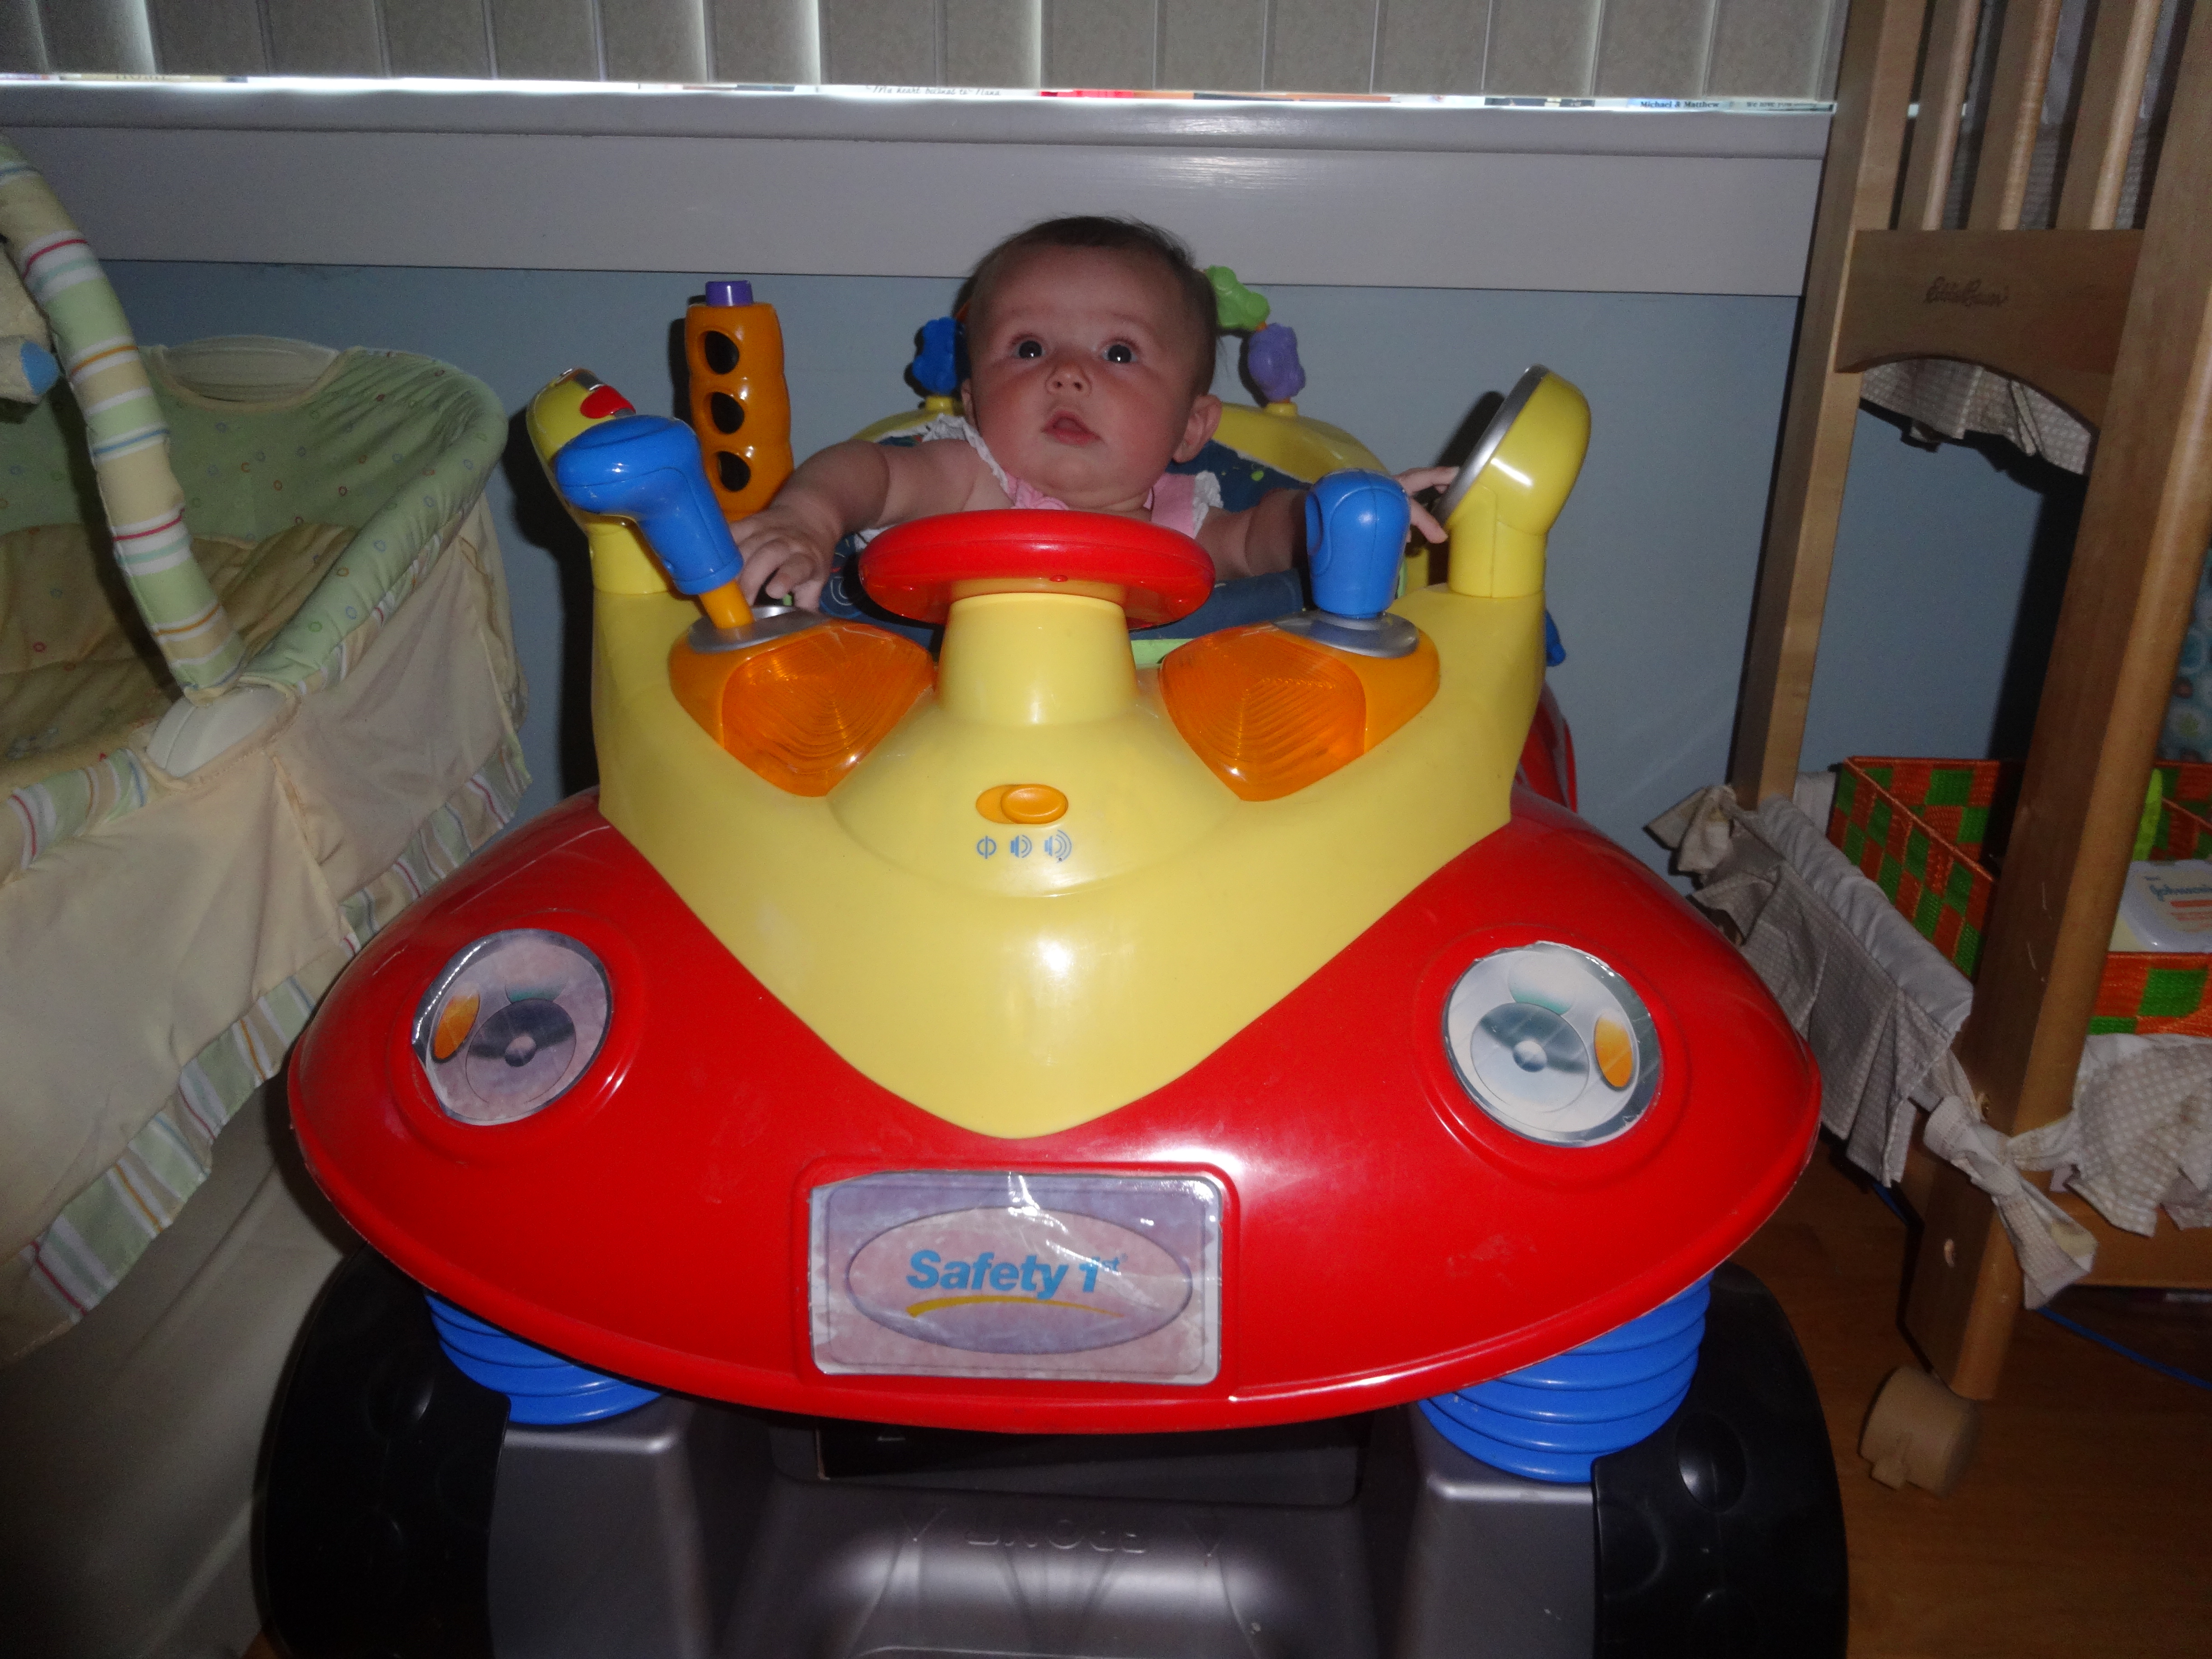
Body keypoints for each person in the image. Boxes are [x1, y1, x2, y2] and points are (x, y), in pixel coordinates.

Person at [726, 216, 1450, 610]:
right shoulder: (968, 478)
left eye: (1119, 353)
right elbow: (872, 474)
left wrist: (1340, 514)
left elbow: (1266, 535)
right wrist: (809, 517)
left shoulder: (1184, 522)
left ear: (1190, 428)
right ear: (974, 403)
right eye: (1030, 348)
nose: (1068, 373)